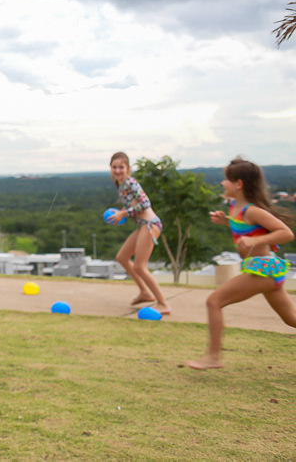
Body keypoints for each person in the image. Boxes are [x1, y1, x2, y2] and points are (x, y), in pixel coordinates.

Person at [187, 158, 296, 370]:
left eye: (226, 179)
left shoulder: (252, 210)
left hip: (264, 270)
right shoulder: (235, 207)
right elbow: (244, 227)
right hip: (265, 271)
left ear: (239, 184)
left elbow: (286, 233)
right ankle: (213, 357)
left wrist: (255, 241)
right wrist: (226, 221)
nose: (222, 183)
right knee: (291, 319)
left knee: (214, 301)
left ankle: (214, 357)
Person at [108, 152, 171, 315]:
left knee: (139, 266)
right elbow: (131, 203)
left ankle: (163, 304)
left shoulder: (131, 182)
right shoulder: (119, 184)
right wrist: (120, 213)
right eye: (114, 167)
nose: (117, 170)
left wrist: (124, 213)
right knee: (122, 257)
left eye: (121, 167)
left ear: (128, 168)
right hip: (142, 225)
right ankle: (144, 292)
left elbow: (145, 203)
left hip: (150, 225)